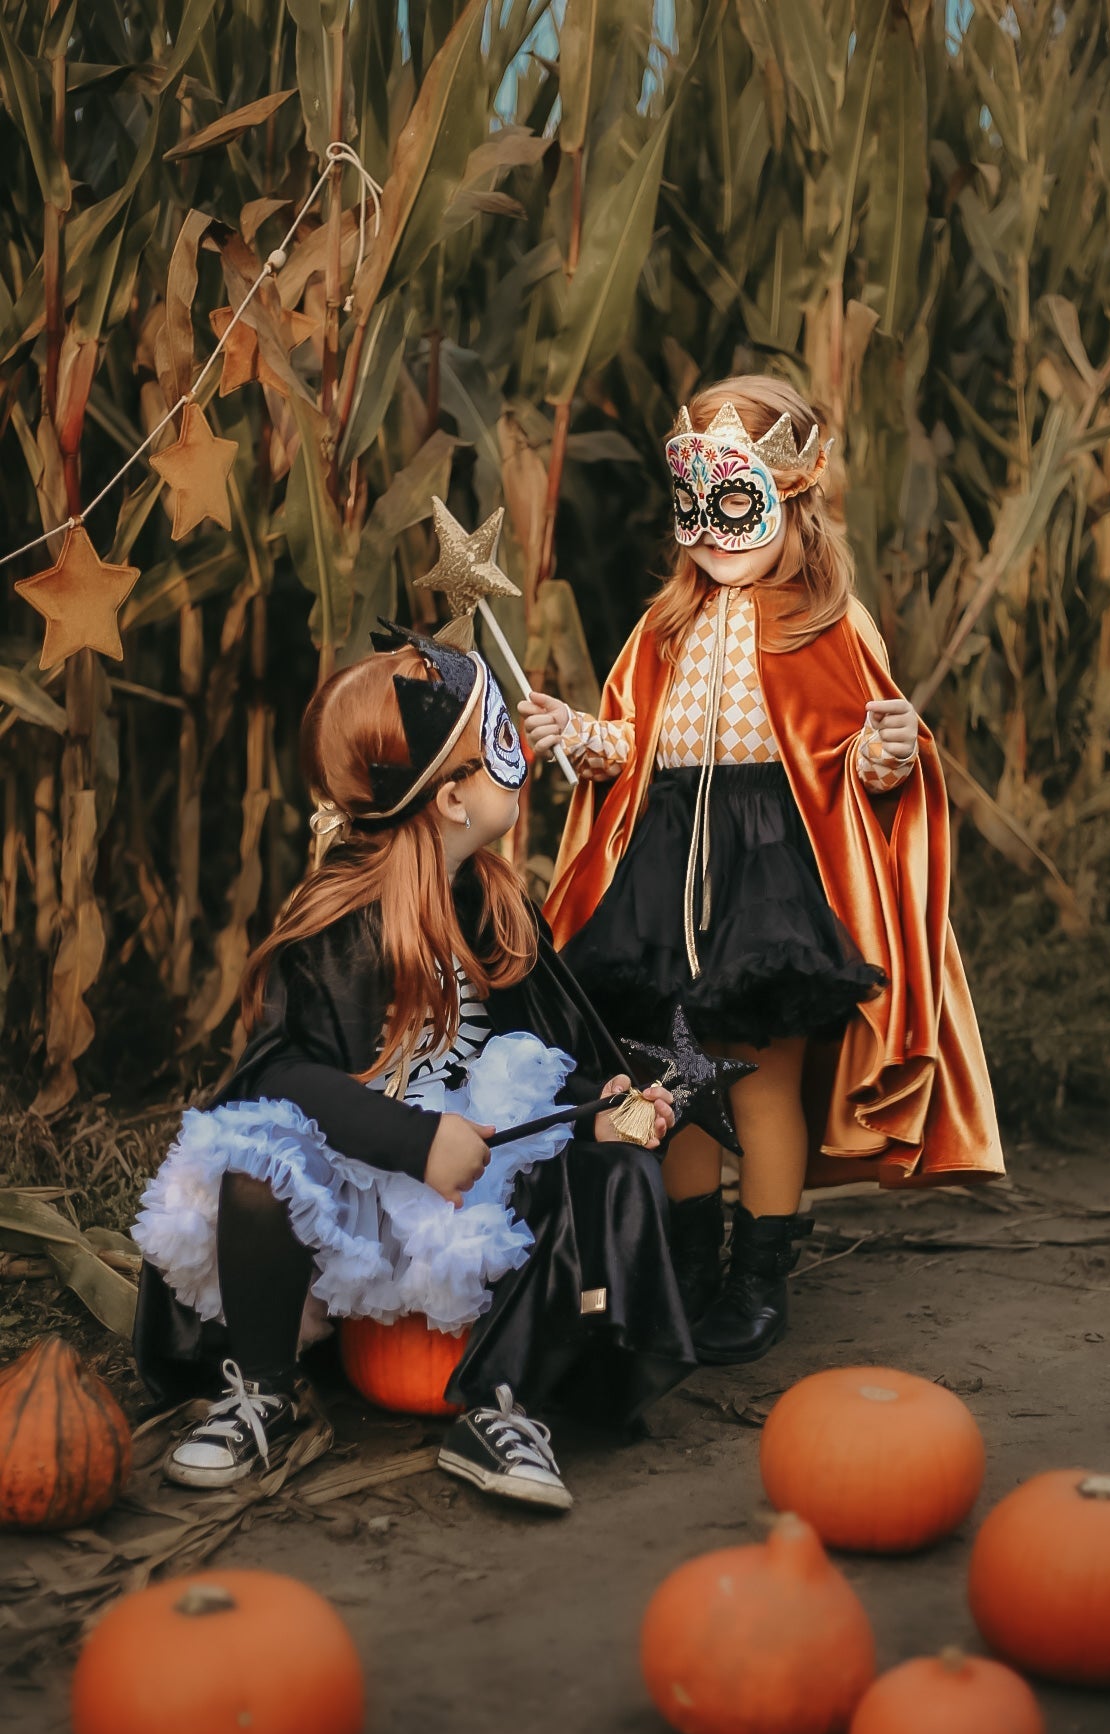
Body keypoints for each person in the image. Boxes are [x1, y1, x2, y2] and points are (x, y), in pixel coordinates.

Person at [132, 629, 692, 1511]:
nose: (519, 764)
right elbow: (276, 1072)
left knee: (615, 1172)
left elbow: (545, 1053)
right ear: (450, 799)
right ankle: (264, 1389)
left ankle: (503, 1399)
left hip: (483, 1198)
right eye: (497, 747)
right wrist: (413, 1139)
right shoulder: (335, 919)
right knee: (253, 1157)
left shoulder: (499, 906)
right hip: (358, 1196)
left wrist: (599, 1105)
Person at [520, 374, 1004, 1367]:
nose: (710, 530)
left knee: (755, 1078)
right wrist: (579, 733)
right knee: (673, 1073)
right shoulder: (662, 626)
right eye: (692, 508)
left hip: (770, 875)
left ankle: (758, 1268)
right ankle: (690, 1258)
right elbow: (632, 742)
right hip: (661, 868)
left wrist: (889, 751)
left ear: (790, 494)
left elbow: (852, 768)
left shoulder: (826, 624)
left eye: (733, 503)